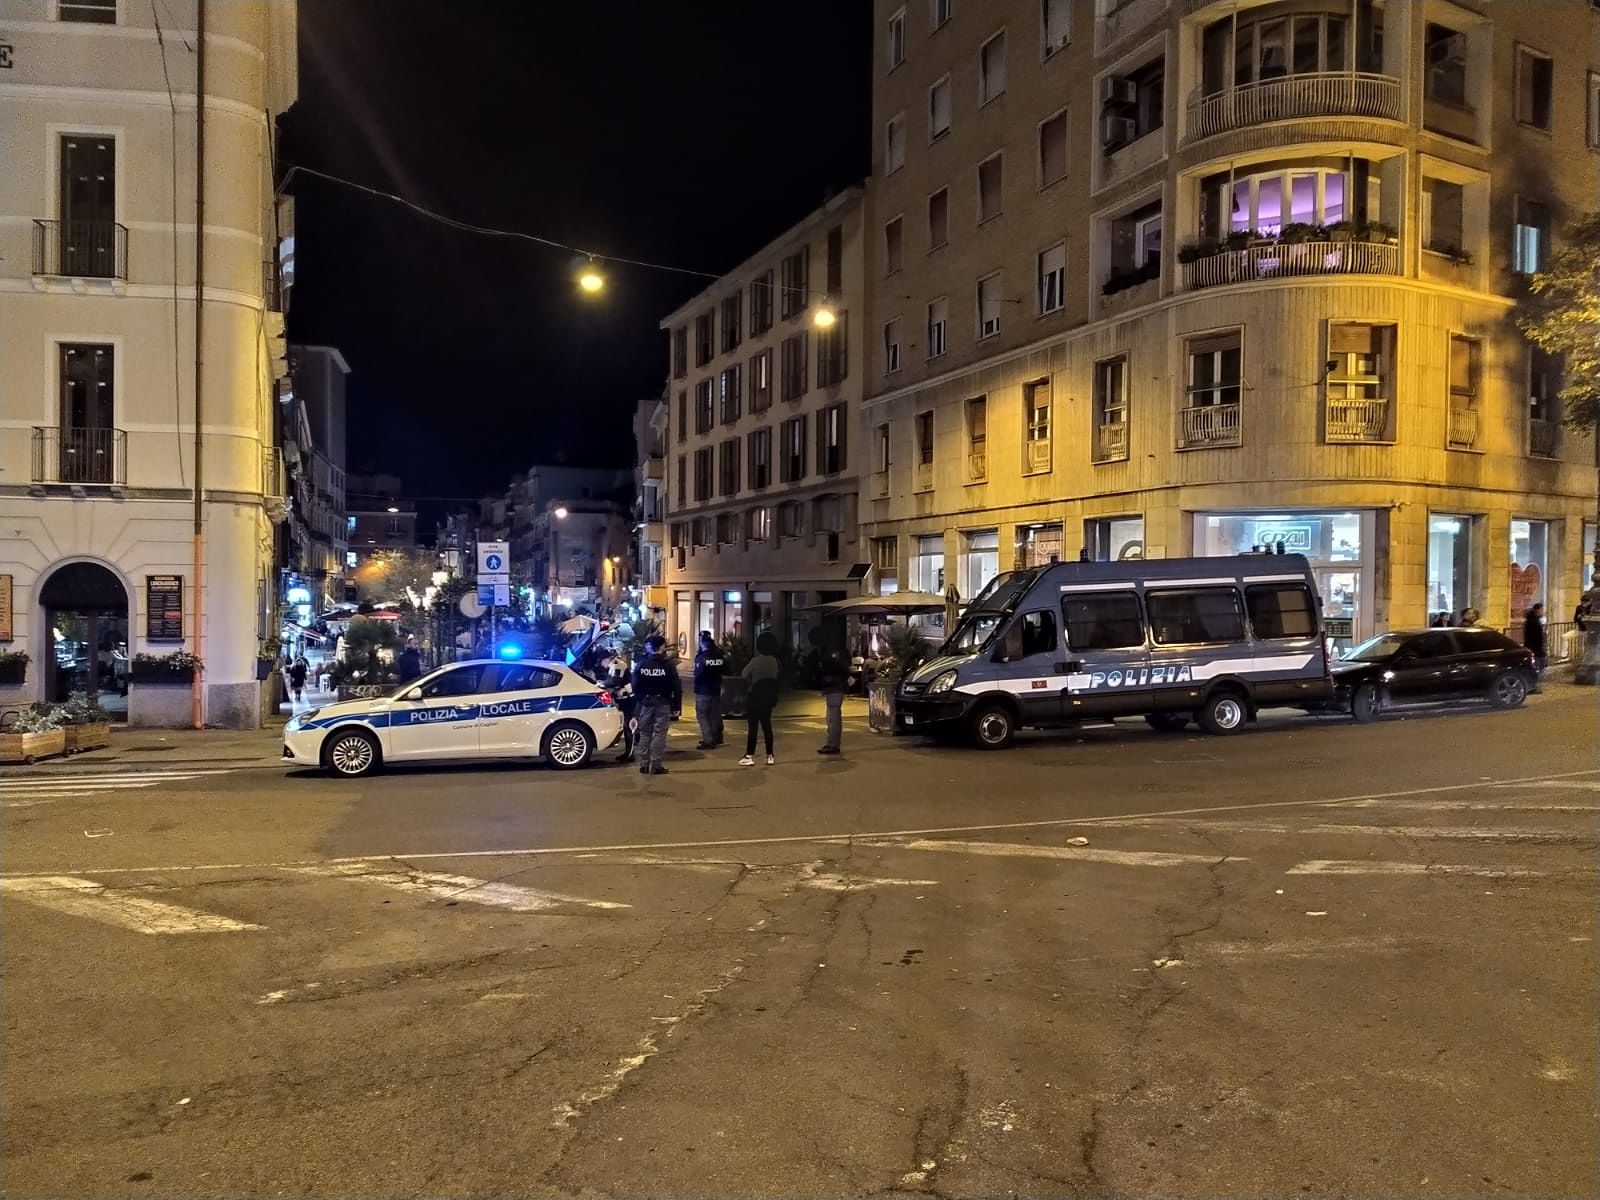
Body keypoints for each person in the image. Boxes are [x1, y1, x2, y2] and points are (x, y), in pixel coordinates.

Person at [631, 635, 681, 776]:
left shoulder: (642, 664)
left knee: (645, 733)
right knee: (659, 733)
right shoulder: (668, 665)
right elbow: (676, 686)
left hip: (646, 703)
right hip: (663, 703)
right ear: (662, 647)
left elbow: (635, 685)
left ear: (650, 648)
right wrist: (676, 705)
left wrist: (641, 698)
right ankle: (656, 764)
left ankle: (644, 764)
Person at [739, 632, 782, 766]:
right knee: (767, 726)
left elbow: (743, 674)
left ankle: (749, 755)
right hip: (768, 698)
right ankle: (770, 755)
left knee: (753, 727)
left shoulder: (756, 661)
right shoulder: (774, 661)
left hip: (755, 697)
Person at [815, 630, 852, 756]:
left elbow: (838, 668)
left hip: (834, 687)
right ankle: (831, 743)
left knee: (833, 716)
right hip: (835, 686)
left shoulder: (832, 653)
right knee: (831, 716)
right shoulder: (839, 652)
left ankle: (833, 745)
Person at [693, 631, 726, 750]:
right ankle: (716, 737)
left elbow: (698, 674)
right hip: (716, 689)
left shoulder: (701, 658)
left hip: (703, 690)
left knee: (702, 715)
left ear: (702, 643)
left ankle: (708, 740)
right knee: (714, 714)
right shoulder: (719, 655)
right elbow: (726, 669)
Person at [602, 653, 636, 764]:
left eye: (602, 661)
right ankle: (628, 753)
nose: (602, 665)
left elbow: (615, 681)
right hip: (623, 699)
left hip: (628, 699)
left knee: (628, 726)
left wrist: (601, 684)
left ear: (607, 658)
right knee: (625, 726)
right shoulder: (613, 665)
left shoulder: (617, 664)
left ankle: (630, 754)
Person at [1523, 602, 1547, 689]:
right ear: (1538, 610)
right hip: (1535, 647)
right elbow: (1534, 635)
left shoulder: (1533, 619)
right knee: (1537, 666)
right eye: (1542, 610)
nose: (1543, 612)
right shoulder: (1533, 621)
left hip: (1535, 646)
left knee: (1539, 665)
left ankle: (1534, 685)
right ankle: (1533, 685)